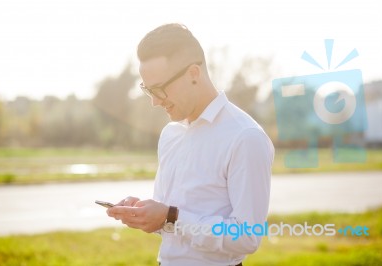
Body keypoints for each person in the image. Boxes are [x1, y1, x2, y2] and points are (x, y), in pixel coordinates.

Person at [107, 23, 274, 266]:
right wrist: (146, 214)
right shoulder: (171, 134)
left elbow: (247, 237)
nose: (154, 101)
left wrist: (170, 217)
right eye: (148, 90)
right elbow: (171, 222)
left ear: (193, 73)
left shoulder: (246, 137)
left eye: (159, 89)